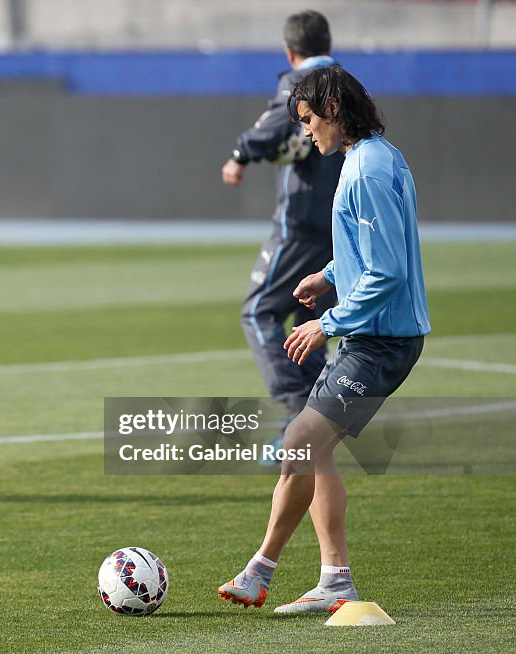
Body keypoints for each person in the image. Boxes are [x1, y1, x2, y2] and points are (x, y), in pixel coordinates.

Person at [217, 65, 431, 613]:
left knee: (300, 442)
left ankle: (260, 572)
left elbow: (388, 272)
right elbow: (374, 250)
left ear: (334, 108)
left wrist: (325, 323)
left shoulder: (367, 170)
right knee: (310, 448)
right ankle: (331, 580)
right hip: (375, 335)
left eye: (309, 120)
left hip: (379, 342)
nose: (307, 133)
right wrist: (330, 275)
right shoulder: (373, 157)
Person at [221, 10, 343, 462]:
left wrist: (240, 155)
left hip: (299, 227)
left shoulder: (302, 83)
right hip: (337, 227)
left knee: (258, 312)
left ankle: (298, 417)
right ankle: (316, 418)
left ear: (291, 53)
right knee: (308, 323)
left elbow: (274, 128)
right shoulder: (346, 83)